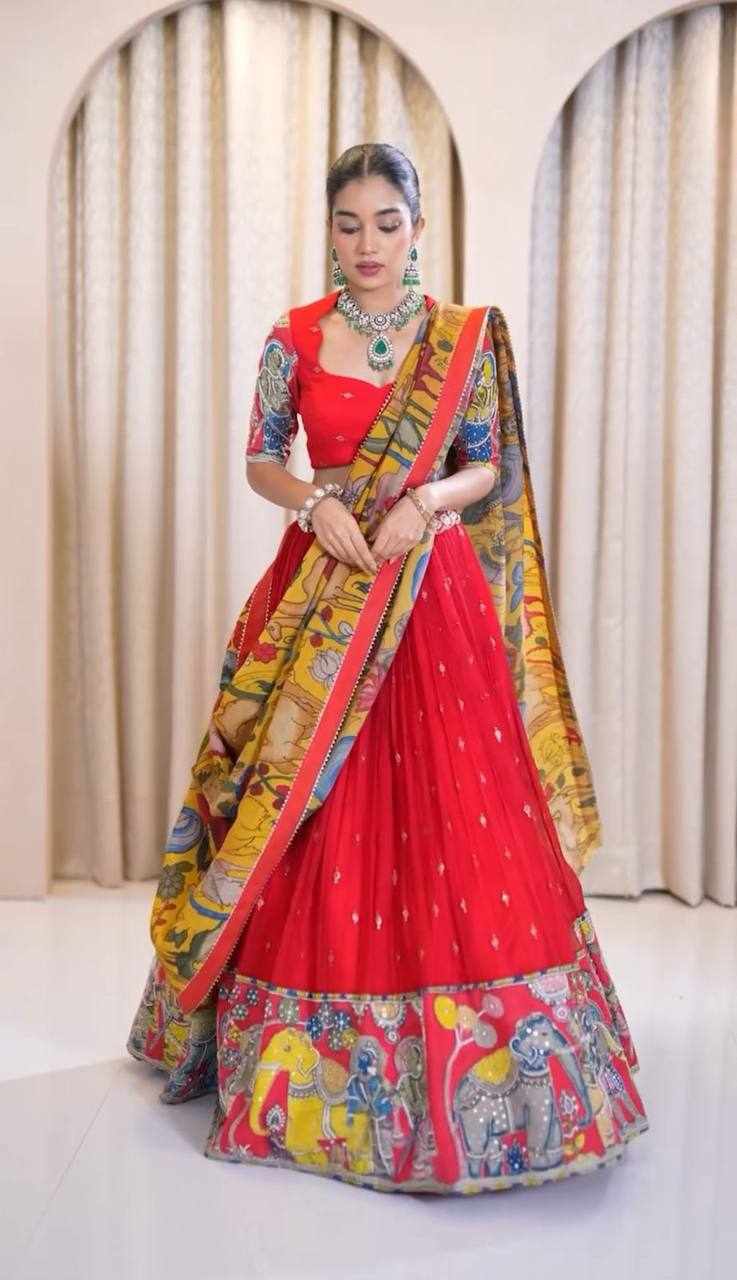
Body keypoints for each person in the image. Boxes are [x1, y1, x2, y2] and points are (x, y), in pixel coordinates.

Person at [127, 142, 649, 1194]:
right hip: (323, 587)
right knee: (304, 803)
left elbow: (484, 461)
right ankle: (299, 1059)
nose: (366, 243)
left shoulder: (458, 337)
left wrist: (425, 502)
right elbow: (261, 458)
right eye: (348, 223)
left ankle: (491, 1064)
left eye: (386, 222)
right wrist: (314, 503)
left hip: (429, 592)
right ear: (329, 229)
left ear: (416, 228)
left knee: (456, 806)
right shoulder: (292, 337)